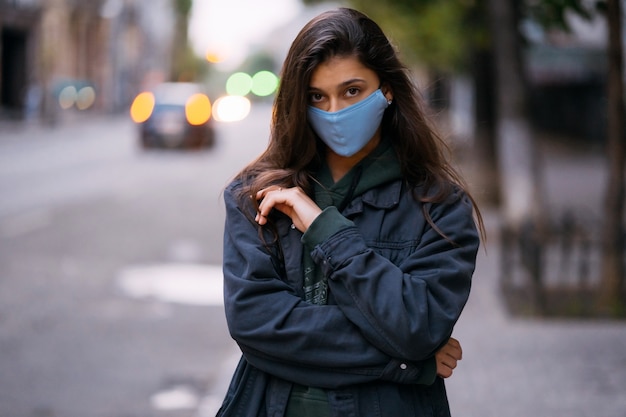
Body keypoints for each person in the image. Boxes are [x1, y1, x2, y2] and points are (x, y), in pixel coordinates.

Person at [218, 7, 483, 417]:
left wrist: (326, 229)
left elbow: (420, 325)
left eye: (353, 91)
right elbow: (256, 325)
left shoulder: (439, 206)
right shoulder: (255, 195)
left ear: (387, 89)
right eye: (317, 97)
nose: (336, 111)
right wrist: (409, 364)